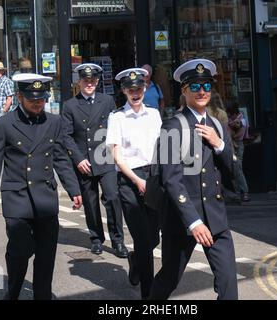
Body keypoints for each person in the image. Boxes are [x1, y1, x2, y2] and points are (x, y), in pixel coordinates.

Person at [0, 73, 83, 300]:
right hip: (16, 197)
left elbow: (60, 159)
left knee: (46, 254)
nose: (38, 103)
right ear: (19, 97)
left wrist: (73, 189)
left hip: (45, 196)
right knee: (20, 250)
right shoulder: (4, 124)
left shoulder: (54, 122)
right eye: (32, 99)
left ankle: (42, 295)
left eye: (41, 99)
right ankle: (14, 291)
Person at [149, 59, 238, 300]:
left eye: (207, 86)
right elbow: (170, 179)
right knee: (169, 278)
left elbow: (236, 177)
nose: (202, 92)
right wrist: (194, 222)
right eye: (195, 86)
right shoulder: (171, 127)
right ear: (184, 90)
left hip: (216, 218)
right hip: (183, 220)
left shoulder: (218, 126)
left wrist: (220, 145)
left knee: (229, 285)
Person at [106, 68, 162, 300]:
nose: (135, 93)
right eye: (130, 90)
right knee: (142, 239)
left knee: (154, 238)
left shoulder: (154, 114)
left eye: (138, 88)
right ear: (124, 91)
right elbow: (117, 155)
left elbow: (161, 149)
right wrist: (138, 180)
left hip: (154, 177)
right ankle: (148, 296)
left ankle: (134, 260)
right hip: (130, 180)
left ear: (145, 88)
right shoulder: (116, 117)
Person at [62, 63, 128, 258]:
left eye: (92, 81)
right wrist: (78, 159)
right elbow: (67, 136)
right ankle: (96, 239)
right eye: (85, 80)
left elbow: (115, 128)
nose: (89, 84)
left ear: (98, 81)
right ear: (79, 82)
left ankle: (118, 241)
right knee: (90, 203)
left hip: (105, 157)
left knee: (112, 197)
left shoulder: (107, 101)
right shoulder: (70, 105)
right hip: (84, 160)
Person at [227, 103, 250, 202]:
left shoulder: (242, 121)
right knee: (232, 169)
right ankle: (236, 192)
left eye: (231, 115)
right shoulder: (230, 121)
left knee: (238, 168)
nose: (230, 117)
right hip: (231, 145)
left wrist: (230, 133)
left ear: (235, 114)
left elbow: (238, 135)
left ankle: (245, 192)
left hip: (238, 145)